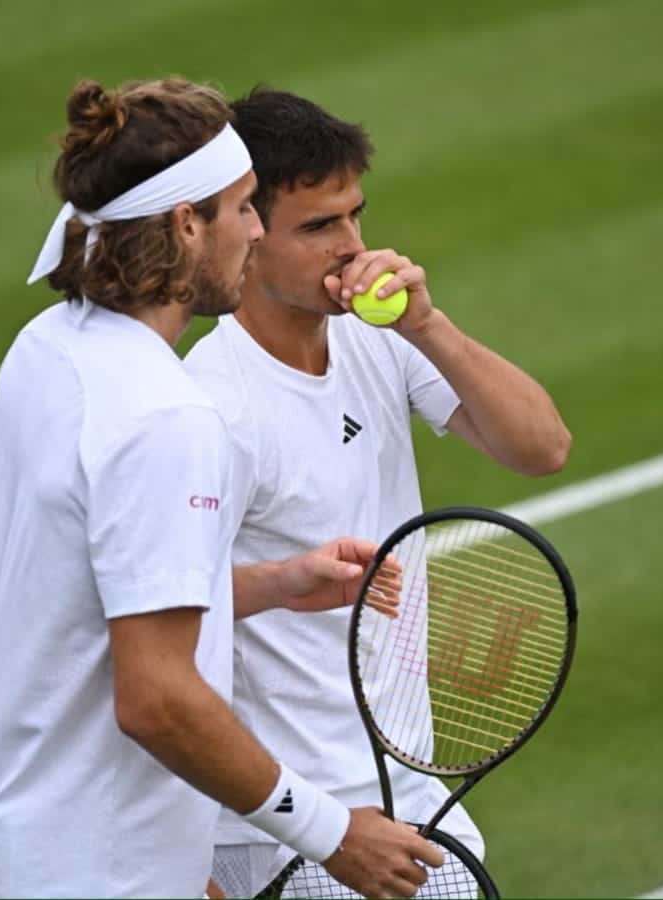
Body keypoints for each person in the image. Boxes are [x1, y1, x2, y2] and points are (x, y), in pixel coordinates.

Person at [0, 78, 442, 899]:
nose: (256, 233)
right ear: (186, 224)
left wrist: (278, 584)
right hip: (103, 877)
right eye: (245, 208)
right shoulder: (170, 417)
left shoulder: (44, 351)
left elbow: (94, 598)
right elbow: (158, 699)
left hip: (22, 857)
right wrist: (332, 832)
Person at [184, 88, 573, 897]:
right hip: (287, 830)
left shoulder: (379, 338)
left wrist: (426, 326)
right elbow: (161, 627)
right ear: (249, 231)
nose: (352, 246)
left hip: (409, 794)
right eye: (320, 226)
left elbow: (541, 447)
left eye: (356, 215)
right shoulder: (208, 408)